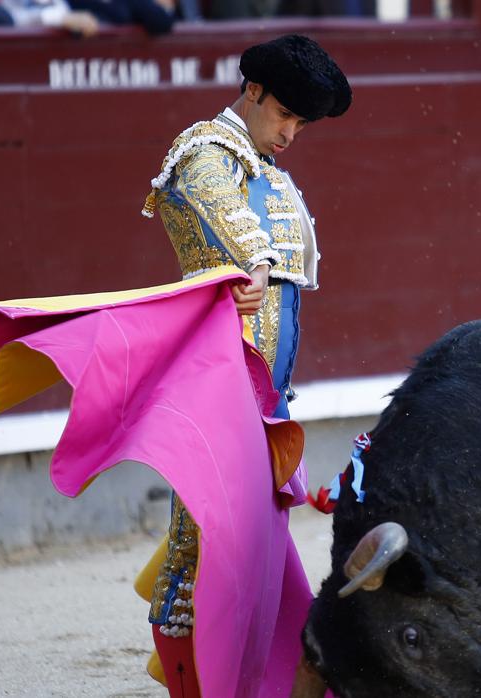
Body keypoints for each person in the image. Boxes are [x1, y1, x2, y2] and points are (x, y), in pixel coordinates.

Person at [136, 34, 350, 697]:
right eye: (284, 113)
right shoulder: (205, 150)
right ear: (251, 90)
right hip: (216, 395)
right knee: (197, 551)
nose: (290, 132)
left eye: (301, 123)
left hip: (263, 399)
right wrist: (251, 260)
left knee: (246, 555)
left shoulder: (265, 167)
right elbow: (218, 208)